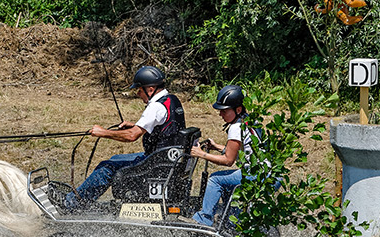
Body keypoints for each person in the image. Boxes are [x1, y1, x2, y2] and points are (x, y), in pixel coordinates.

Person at [63, 65, 185, 210]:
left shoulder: (156, 107)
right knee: (115, 158)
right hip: (167, 158)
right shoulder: (171, 100)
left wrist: (103, 132)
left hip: (157, 163)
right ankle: (80, 199)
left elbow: (132, 136)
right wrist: (135, 125)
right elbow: (166, 128)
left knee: (106, 167)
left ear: (150, 89)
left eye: (140, 90)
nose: (138, 94)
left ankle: (73, 203)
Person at [189, 84, 260, 227]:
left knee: (216, 180)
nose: (220, 114)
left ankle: (204, 220)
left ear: (238, 109)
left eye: (224, 111)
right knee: (228, 184)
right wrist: (216, 147)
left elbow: (228, 160)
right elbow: (242, 150)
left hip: (255, 174)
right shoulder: (250, 121)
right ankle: (232, 222)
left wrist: (201, 154)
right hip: (265, 173)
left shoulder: (236, 127)